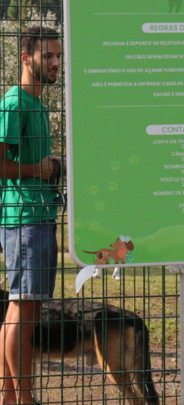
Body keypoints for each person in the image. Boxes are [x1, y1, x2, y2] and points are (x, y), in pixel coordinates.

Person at [0, 26, 61, 405]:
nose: (55, 63)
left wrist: (51, 166)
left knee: (23, 309)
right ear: (26, 57)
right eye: (47, 56)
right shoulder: (14, 103)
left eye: (58, 56)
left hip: (38, 216)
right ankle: (24, 399)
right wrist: (37, 170)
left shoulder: (38, 105)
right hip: (23, 219)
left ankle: (9, 398)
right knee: (23, 309)